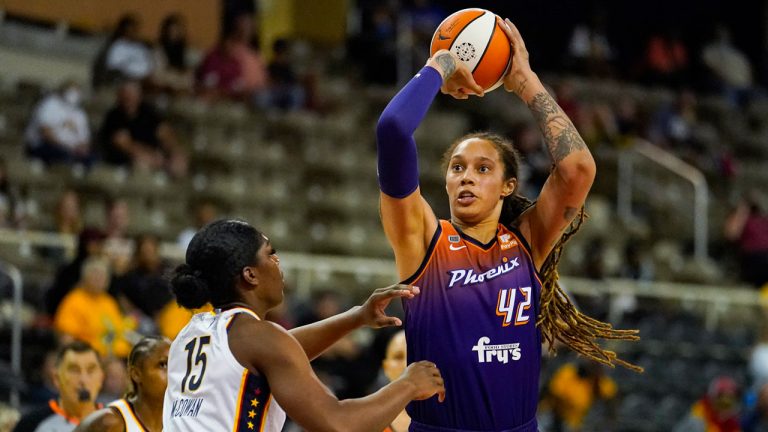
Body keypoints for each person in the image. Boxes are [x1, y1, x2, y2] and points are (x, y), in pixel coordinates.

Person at [375, 18, 638, 432]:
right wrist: (442, 64)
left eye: (483, 169)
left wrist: (524, 81)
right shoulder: (423, 240)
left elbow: (578, 169)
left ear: (507, 186)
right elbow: (392, 130)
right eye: (457, 168)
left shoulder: (526, 241)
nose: (466, 177)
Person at [163, 219, 445, 431]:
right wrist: (408, 385)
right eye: (270, 253)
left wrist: (356, 317)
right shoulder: (259, 338)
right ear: (250, 275)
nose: (278, 261)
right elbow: (338, 424)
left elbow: (284, 350)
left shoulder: (191, 334)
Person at [76, 337, 170, 432]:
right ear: (136, 374)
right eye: (163, 365)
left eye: (175, 365)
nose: (172, 373)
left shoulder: (176, 421)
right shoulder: (110, 422)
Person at [98, 81, 188, 178]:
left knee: (179, 161)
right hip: (126, 159)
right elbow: (124, 144)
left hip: (155, 154)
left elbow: (164, 132)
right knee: (142, 163)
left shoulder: (148, 112)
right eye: (126, 95)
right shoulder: (114, 117)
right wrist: (151, 155)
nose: (129, 98)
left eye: (132, 95)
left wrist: (174, 151)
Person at [53, 257, 134, 358]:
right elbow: (66, 339)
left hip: (118, 355)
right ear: (85, 278)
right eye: (96, 275)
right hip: (91, 357)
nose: (100, 280)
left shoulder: (109, 301)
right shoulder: (74, 301)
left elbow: (119, 330)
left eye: (103, 276)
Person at [13, 342, 104, 432]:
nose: (83, 380)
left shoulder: (112, 420)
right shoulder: (31, 424)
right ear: (56, 378)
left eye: (91, 370)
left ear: (101, 378)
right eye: (74, 370)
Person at [24, 80, 92, 167]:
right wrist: (67, 147)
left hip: (72, 149)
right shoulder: (49, 104)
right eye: (72, 91)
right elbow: (45, 133)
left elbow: (84, 139)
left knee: (91, 158)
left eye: (77, 91)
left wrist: (82, 148)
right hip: (45, 145)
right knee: (63, 155)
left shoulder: (79, 113)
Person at [674, 376, 742, 432]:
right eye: (722, 403)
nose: (725, 409)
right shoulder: (699, 419)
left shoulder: (732, 424)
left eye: (729, 403)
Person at [381, 330, 410, 432]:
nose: (406, 364)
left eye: (414, 355)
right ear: (386, 367)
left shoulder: (451, 413)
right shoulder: (368, 419)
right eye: (398, 357)